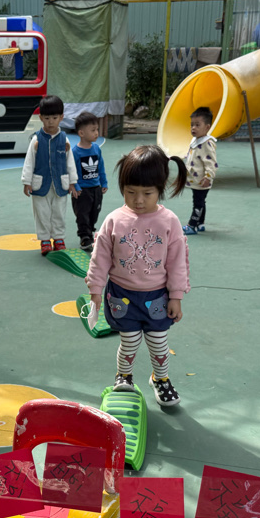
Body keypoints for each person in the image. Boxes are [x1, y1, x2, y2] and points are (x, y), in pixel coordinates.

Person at [85, 145, 190, 407]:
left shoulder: (169, 221)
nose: (138, 200)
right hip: (122, 295)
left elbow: (177, 262)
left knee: (158, 343)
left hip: (157, 296)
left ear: (160, 189)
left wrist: (176, 296)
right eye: (130, 192)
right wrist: (95, 290)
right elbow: (100, 258)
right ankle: (124, 376)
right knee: (129, 341)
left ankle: (161, 379)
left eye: (147, 193)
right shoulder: (114, 220)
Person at [22, 95, 78, 254]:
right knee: (42, 212)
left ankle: (59, 238)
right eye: (47, 118)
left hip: (60, 184)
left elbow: (70, 161)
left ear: (61, 117)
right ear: (41, 118)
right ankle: (45, 239)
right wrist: (26, 181)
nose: (51, 122)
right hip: (40, 184)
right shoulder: (36, 140)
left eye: (54, 118)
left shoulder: (64, 140)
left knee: (59, 212)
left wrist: (72, 181)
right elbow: (29, 161)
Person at [71, 112, 109, 250]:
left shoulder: (96, 149)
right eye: (93, 130)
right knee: (82, 214)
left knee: (94, 212)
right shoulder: (75, 152)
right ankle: (84, 237)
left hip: (96, 188)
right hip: (82, 190)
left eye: (97, 129)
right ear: (81, 133)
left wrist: (103, 183)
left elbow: (101, 167)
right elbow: (72, 171)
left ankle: (90, 232)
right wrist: (75, 186)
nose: (96, 133)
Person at [182, 107, 217, 235]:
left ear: (207, 127)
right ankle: (200, 224)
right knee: (200, 201)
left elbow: (211, 163)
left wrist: (208, 177)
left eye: (197, 125)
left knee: (198, 202)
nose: (193, 128)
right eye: (192, 125)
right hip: (196, 180)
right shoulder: (196, 141)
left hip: (202, 180)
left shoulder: (207, 143)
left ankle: (192, 225)